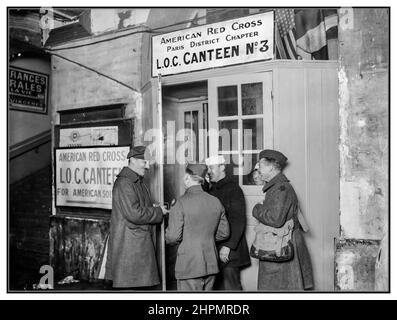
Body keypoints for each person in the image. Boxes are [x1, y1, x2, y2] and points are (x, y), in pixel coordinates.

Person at [105, 146, 168, 289]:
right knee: (133, 288)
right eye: (144, 162)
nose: (147, 166)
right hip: (131, 246)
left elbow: (137, 206)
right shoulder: (125, 183)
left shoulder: (135, 181)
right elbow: (134, 213)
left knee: (137, 287)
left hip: (135, 243)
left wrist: (152, 207)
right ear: (132, 160)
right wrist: (158, 212)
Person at [253, 149, 314, 291]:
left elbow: (275, 220)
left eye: (260, 166)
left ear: (271, 167)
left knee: (279, 287)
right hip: (280, 243)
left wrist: (257, 209)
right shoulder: (277, 187)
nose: (258, 170)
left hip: (281, 244)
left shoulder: (281, 188)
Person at [165, 163, 230, 291]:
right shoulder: (215, 201)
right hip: (210, 263)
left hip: (189, 265)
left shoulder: (180, 203)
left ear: (187, 178)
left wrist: (187, 237)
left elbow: (172, 237)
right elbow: (224, 233)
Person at [205, 155, 251, 290]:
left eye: (211, 168)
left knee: (231, 288)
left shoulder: (234, 189)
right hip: (216, 248)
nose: (209, 171)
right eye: (207, 168)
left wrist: (228, 246)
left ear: (222, 167)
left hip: (229, 250)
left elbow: (238, 219)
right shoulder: (212, 189)